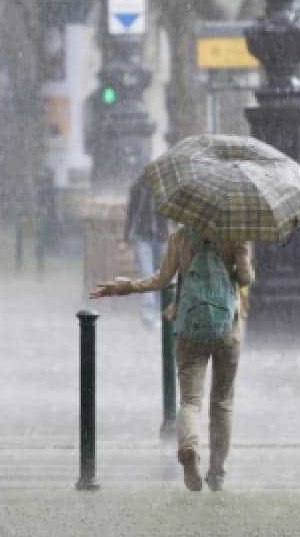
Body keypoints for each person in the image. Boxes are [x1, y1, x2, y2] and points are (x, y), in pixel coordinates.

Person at [90, 226, 253, 492]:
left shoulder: (181, 236)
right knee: (222, 403)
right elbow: (245, 278)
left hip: (190, 327)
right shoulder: (235, 233)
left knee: (190, 401)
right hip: (227, 330)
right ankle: (217, 473)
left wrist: (126, 287)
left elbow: (162, 280)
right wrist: (241, 262)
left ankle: (189, 447)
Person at [123, 177, 170, 330]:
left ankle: (157, 312)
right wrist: (126, 236)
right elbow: (131, 212)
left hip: (161, 238)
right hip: (143, 237)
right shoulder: (138, 187)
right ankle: (148, 315)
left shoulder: (166, 188)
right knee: (148, 274)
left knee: (159, 276)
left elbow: (173, 212)